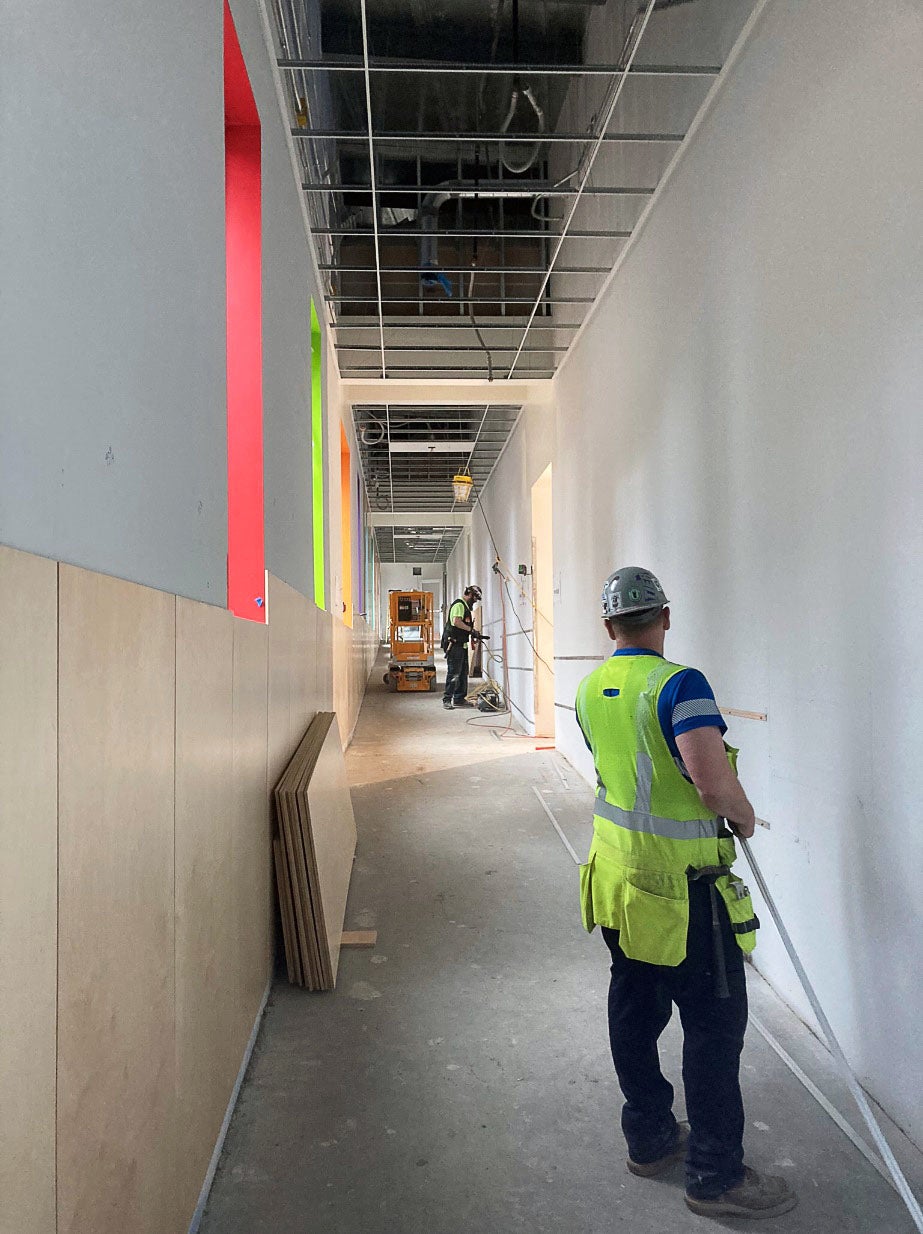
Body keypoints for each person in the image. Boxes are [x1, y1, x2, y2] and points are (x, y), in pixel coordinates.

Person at [575, 566, 797, 1220]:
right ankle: (714, 1176)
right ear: (663, 617)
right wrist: (744, 814)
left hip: (620, 883)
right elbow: (708, 781)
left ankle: (646, 1139)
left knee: (634, 1006)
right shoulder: (680, 685)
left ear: (608, 626)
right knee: (711, 1028)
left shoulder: (591, 687)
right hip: (685, 892)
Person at [442, 585, 482, 711]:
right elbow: (456, 622)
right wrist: (471, 630)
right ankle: (447, 699)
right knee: (454, 673)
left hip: (461, 644)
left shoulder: (465, 607)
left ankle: (459, 698)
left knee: (463, 672)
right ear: (470, 594)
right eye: (474, 599)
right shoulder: (459, 605)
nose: (474, 602)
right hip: (453, 644)